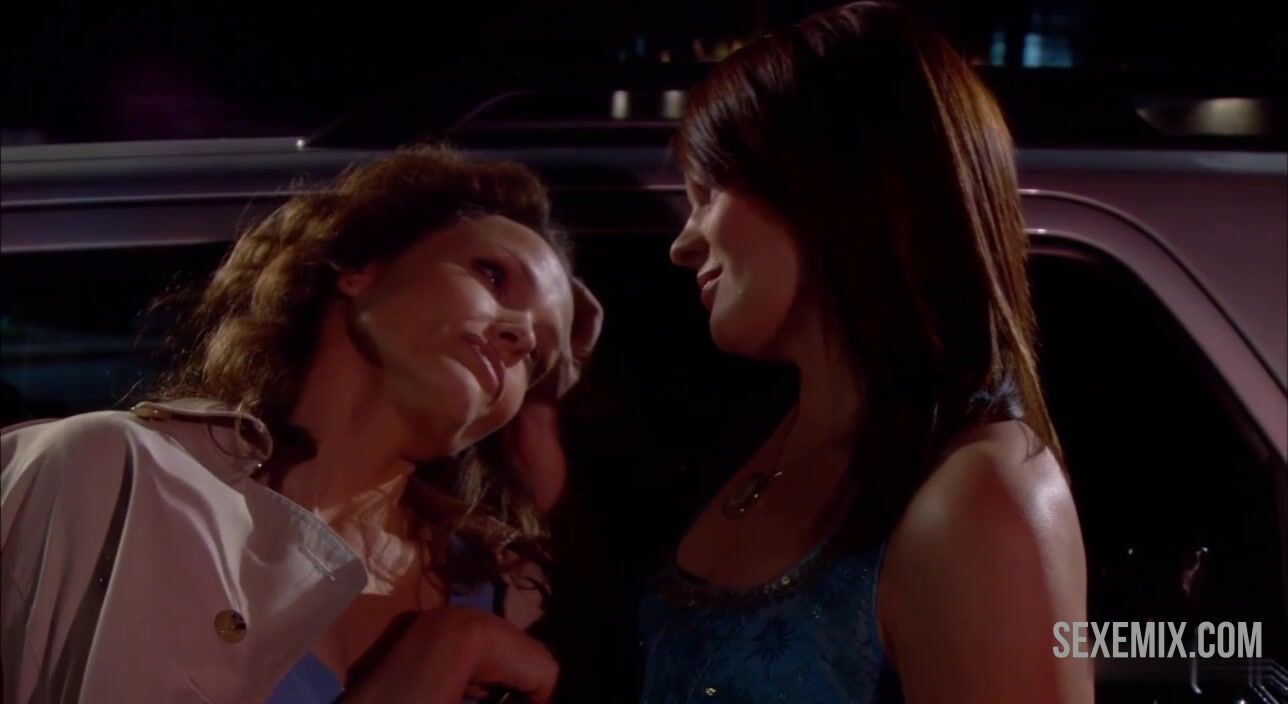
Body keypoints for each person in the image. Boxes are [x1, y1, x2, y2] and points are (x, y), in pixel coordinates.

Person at [1, 145, 602, 703]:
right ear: (362, 267)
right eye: (493, 275)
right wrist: (443, 656)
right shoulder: (116, 476)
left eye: (539, 359)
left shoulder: (506, 593)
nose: (522, 336)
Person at [639, 3, 1091, 702]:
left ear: (828, 184)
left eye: (709, 193)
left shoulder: (981, 497)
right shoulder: (773, 437)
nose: (683, 243)